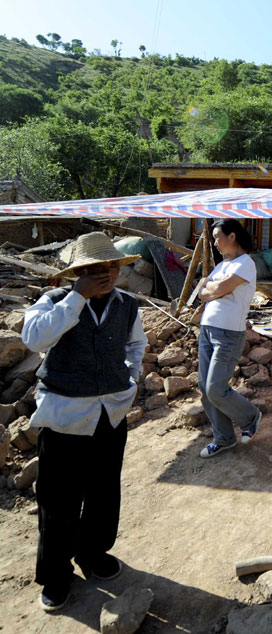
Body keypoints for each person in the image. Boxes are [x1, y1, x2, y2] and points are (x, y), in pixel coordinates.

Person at [21, 232, 147, 612]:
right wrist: (77, 296)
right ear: (79, 273)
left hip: (110, 416)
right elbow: (33, 339)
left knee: (104, 492)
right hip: (66, 420)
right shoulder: (56, 301)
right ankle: (56, 575)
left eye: (110, 267)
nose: (105, 275)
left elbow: (136, 344)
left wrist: (132, 376)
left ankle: (93, 554)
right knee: (58, 502)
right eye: (95, 269)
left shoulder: (127, 304)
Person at [197, 219, 263, 458]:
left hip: (228, 333)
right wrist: (212, 288)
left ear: (232, 236)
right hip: (207, 329)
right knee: (205, 388)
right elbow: (202, 291)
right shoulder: (223, 265)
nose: (215, 243)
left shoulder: (245, 264)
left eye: (217, 237)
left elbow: (215, 290)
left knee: (215, 388)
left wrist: (212, 288)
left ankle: (250, 416)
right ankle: (224, 438)